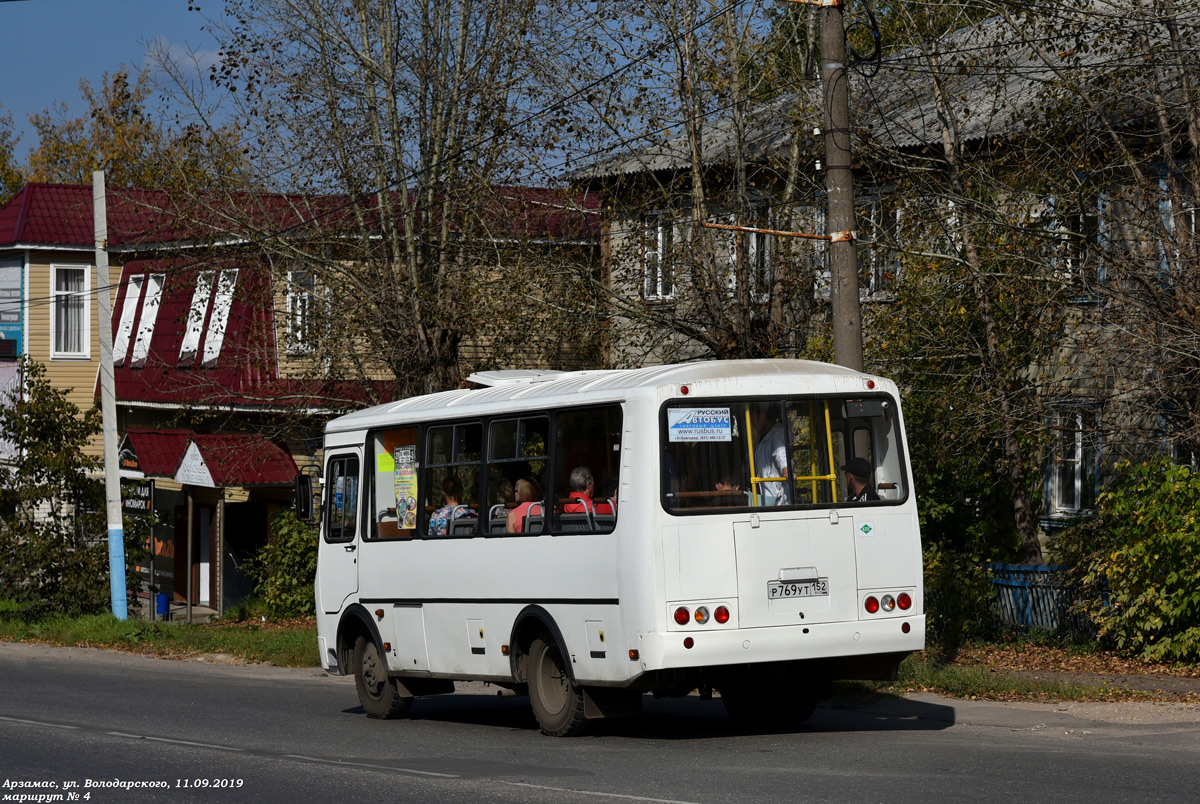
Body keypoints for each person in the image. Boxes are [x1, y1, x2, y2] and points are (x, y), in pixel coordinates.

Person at [751, 403, 790, 505]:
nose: (751, 422)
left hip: (779, 502)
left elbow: (781, 453)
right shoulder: (761, 437)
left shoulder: (776, 434)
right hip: (769, 499)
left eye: (752, 416)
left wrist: (786, 470)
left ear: (762, 415)